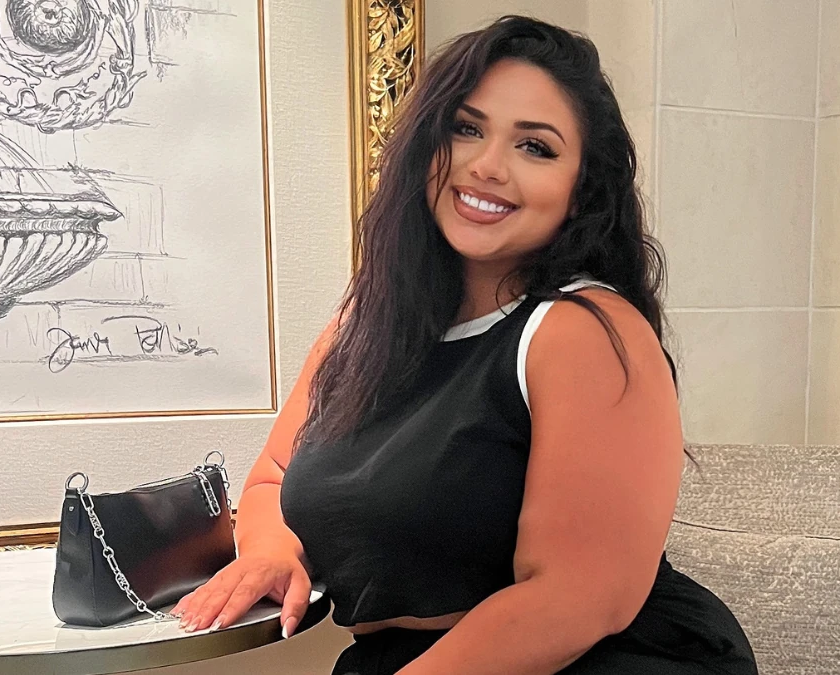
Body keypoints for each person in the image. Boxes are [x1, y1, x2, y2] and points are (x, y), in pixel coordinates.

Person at [170, 15, 757, 675]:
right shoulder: (363, 327)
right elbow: (273, 478)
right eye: (466, 128)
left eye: (535, 147)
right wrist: (273, 553)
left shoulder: (583, 329)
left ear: (581, 190)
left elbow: (577, 598)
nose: (486, 166)